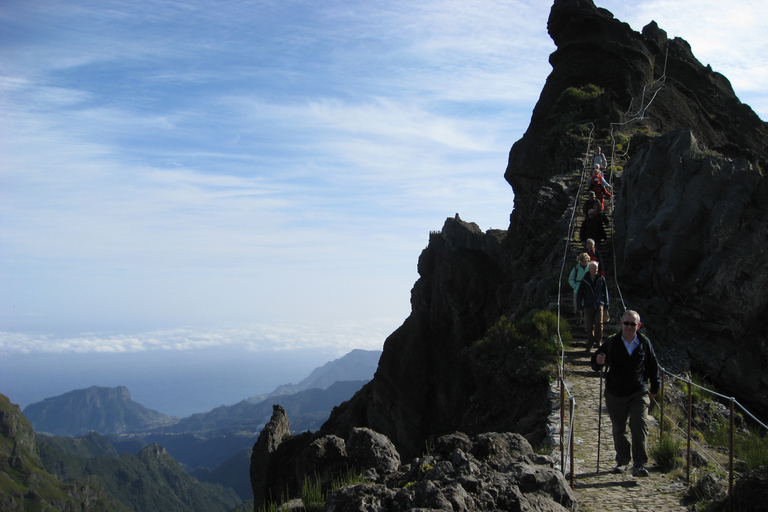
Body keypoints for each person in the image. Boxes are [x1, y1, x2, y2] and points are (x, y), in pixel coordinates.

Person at [591, 310, 660, 478]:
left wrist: (655, 388)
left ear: (639, 325)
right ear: (621, 324)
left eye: (632, 324)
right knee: (619, 428)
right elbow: (595, 363)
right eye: (626, 323)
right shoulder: (612, 342)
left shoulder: (644, 342)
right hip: (615, 392)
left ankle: (640, 464)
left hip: (639, 392)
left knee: (639, 423)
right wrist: (598, 361)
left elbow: (653, 366)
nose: (629, 327)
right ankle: (622, 460)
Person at [576, 261, 609, 353]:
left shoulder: (601, 279)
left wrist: (607, 305)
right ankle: (590, 342)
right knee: (589, 325)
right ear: (589, 269)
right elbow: (580, 294)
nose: (595, 270)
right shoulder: (585, 280)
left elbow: (605, 292)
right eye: (594, 269)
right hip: (588, 305)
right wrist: (579, 306)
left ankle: (598, 342)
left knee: (599, 323)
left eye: (597, 268)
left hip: (599, 304)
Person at [568, 252, 591, 316]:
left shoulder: (590, 268)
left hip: (587, 289)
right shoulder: (576, 268)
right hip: (578, 289)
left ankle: (586, 318)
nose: (584, 263)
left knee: (587, 305)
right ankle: (578, 318)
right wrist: (575, 286)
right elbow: (570, 279)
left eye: (585, 261)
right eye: (582, 261)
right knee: (577, 305)